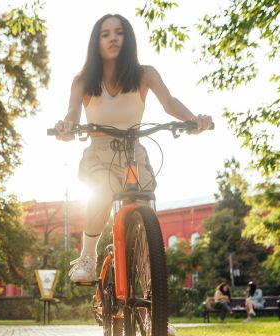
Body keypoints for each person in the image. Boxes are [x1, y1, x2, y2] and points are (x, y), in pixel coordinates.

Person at [54, 14, 212, 284]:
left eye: (119, 32)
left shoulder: (144, 74)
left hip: (133, 152)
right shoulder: (83, 80)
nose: (113, 38)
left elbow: (169, 102)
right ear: (97, 42)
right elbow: (72, 114)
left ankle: (157, 308)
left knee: (144, 209)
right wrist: (66, 127)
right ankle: (88, 257)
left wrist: (193, 120)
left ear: (128, 38)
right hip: (99, 152)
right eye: (105, 34)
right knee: (102, 189)